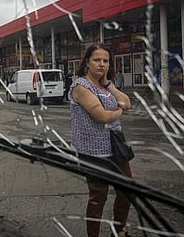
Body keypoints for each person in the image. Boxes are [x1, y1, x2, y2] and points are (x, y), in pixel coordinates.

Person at [69, 43, 132, 237]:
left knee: (127, 189)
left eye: (106, 61)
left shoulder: (105, 85)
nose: (102, 64)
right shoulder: (80, 86)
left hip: (115, 146)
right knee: (98, 196)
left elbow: (127, 102)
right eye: (97, 60)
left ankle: (118, 231)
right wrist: (119, 111)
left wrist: (108, 84)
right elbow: (102, 116)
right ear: (87, 62)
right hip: (93, 150)